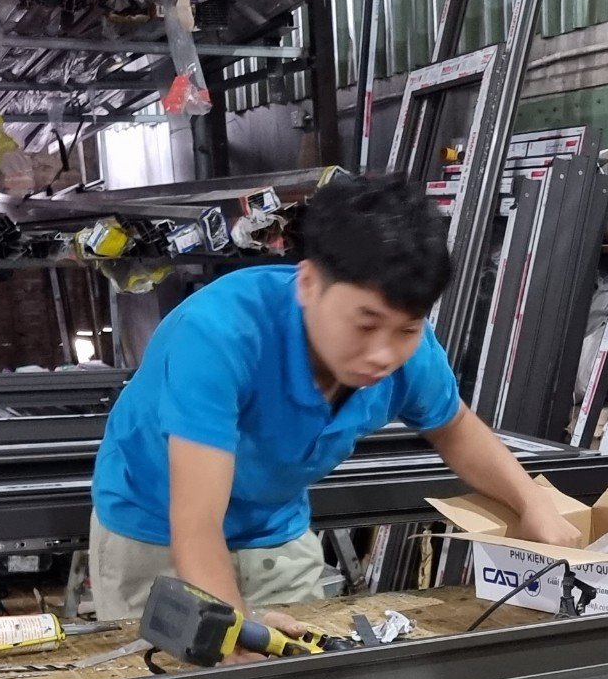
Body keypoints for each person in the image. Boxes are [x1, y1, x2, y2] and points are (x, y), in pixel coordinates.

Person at [87, 175, 579, 627]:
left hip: (274, 526)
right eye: (365, 324)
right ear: (307, 284)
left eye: (406, 329)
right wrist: (230, 630)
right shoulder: (220, 335)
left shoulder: (409, 351)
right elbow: (195, 525)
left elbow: (456, 429)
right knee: (180, 676)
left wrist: (531, 501)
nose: (384, 354)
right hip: (154, 528)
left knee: (300, 672)